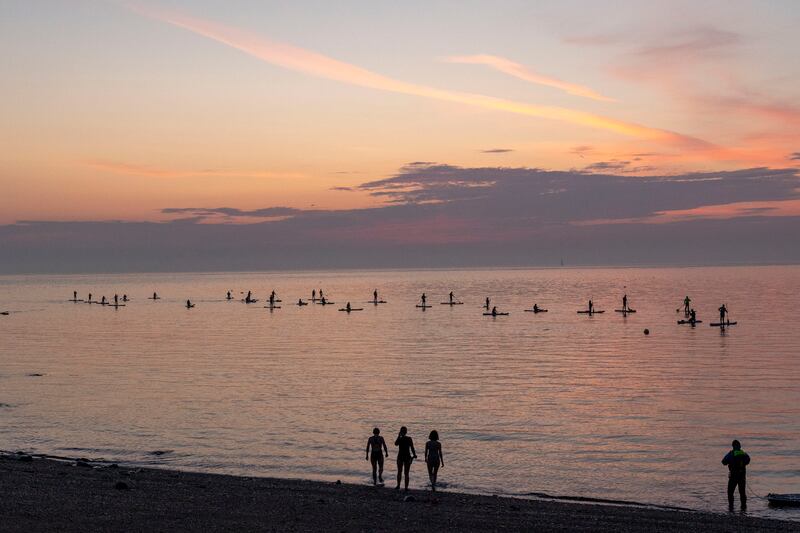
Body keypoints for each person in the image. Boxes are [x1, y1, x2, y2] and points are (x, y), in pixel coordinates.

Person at [722, 439, 750, 510]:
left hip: (733, 476)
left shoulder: (731, 453)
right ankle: (744, 508)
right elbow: (748, 460)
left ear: (733, 446)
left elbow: (723, 462)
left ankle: (731, 507)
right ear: (740, 446)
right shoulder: (744, 454)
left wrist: (730, 463)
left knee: (730, 492)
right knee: (742, 493)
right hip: (742, 476)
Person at [394, 426, 417, 491]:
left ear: (401, 432)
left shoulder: (400, 439)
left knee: (399, 472)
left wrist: (398, 436)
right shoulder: (409, 438)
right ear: (406, 432)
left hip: (400, 456)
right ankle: (406, 487)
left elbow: (396, 444)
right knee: (406, 473)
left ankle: (398, 485)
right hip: (407, 457)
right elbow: (412, 447)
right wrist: (414, 454)